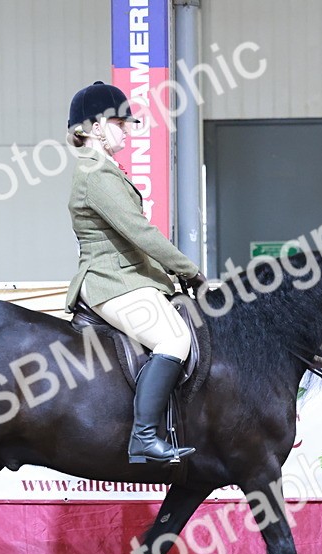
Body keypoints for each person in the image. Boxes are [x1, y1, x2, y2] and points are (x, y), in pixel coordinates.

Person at [64, 81, 206, 464]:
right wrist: (189, 271)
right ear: (95, 127)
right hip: (111, 281)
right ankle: (143, 437)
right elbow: (140, 233)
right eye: (120, 122)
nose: (127, 129)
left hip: (128, 277)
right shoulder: (96, 175)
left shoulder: (105, 170)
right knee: (175, 341)